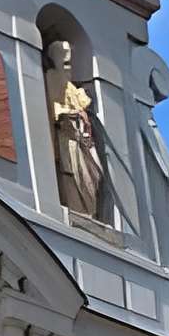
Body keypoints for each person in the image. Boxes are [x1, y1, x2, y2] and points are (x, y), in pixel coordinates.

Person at [43, 36, 105, 218]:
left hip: (82, 143)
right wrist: (74, 115)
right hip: (67, 141)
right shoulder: (51, 79)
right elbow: (55, 111)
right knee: (72, 175)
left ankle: (89, 213)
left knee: (93, 176)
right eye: (66, 63)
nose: (70, 69)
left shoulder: (72, 88)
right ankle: (79, 212)